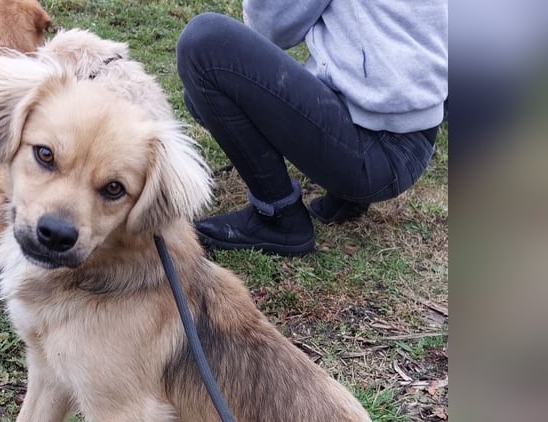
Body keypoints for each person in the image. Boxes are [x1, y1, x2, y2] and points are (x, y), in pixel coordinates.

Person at [176, 1, 448, 256]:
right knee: (205, 94)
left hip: (376, 152)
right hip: (416, 137)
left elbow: (271, 24)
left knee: (205, 43)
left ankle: (278, 216)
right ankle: (344, 195)